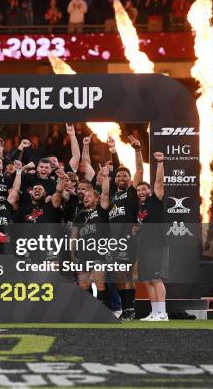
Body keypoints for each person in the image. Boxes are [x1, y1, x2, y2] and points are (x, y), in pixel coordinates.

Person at [107, 135, 143, 320]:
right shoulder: (114, 196)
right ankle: (126, 309)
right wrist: (112, 151)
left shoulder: (131, 192)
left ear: (130, 180)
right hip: (114, 241)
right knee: (117, 276)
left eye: (125, 175)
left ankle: (130, 309)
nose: (121, 177)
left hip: (128, 238)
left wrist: (137, 150)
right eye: (119, 175)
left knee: (127, 274)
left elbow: (139, 170)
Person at [71, 165, 111, 307]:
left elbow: (105, 193)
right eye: (84, 196)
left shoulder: (102, 209)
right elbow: (73, 237)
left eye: (89, 195)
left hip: (99, 252)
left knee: (100, 284)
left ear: (97, 198)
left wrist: (106, 177)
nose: (85, 197)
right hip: (83, 253)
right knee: (83, 285)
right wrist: (73, 255)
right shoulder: (80, 215)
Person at [136, 152, 168, 322]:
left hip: (156, 244)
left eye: (143, 189)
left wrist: (160, 162)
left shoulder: (155, 199)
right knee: (147, 280)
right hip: (144, 246)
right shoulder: (140, 209)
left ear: (149, 190)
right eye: (139, 189)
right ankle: (155, 312)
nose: (141, 191)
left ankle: (163, 313)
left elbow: (159, 181)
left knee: (155, 278)